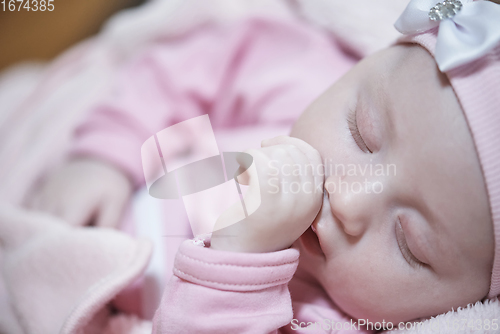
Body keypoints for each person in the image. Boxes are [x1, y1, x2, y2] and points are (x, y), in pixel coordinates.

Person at [29, 0, 500, 332]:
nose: (350, 199)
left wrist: (240, 255)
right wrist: (103, 152)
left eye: (409, 242)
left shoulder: (325, 321)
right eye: (363, 132)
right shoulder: (302, 76)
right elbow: (189, 65)